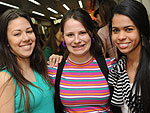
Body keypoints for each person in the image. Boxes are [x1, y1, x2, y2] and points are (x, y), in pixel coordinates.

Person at [48, 8, 121, 113]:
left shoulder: (110, 66)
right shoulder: (54, 70)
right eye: (70, 35)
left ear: (91, 33)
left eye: (82, 33)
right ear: (63, 37)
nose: (77, 40)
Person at [0, 9, 55, 113]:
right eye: (17, 34)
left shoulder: (40, 68)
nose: (26, 38)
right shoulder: (5, 78)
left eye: (29, 31)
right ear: (6, 42)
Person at [108, 0, 150, 112]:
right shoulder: (116, 69)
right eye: (116, 30)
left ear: (141, 31)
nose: (121, 36)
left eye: (129, 29)